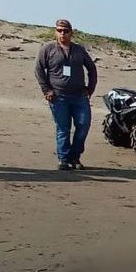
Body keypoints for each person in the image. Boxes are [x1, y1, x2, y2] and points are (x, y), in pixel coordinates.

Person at [34, 19, 97, 170]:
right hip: (58, 96)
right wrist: (46, 90)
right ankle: (63, 158)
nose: (62, 33)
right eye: (59, 30)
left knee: (83, 124)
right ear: (55, 31)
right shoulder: (47, 49)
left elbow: (92, 69)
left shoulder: (79, 50)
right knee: (63, 128)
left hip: (79, 96)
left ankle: (75, 157)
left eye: (66, 31)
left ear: (71, 33)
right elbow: (38, 70)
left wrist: (90, 88)